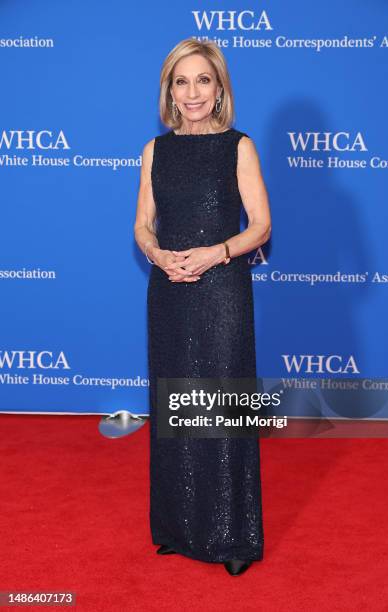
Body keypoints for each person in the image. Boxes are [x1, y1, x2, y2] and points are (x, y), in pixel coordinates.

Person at [134, 37, 271, 576]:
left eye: (203, 81)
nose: (192, 92)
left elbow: (261, 225)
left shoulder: (239, 146)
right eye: (181, 81)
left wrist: (217, 252)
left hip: (222, 289)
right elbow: (143, 222)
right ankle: (178, 526)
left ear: (219, 89)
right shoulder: (155, 151)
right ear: (170, 90)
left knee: (224, 403)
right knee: (175, 405)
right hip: (169, 287)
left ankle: (233, 535)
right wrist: (156, 252)